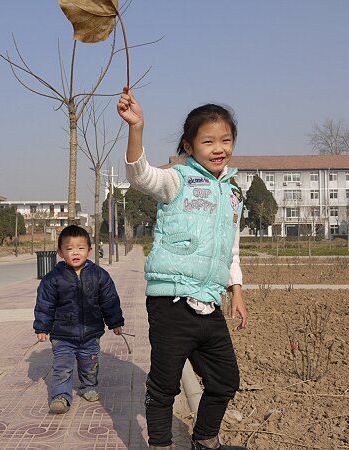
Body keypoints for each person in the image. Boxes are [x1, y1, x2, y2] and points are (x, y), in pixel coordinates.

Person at [117, 87, 248, 450]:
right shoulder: (177, 181)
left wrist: (236, 291)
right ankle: (160, 445)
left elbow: (231, 248)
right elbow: (140, 176)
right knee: (164, 385)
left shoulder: (232, 194)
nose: (219, 148)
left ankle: (205, 440)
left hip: (209, 301)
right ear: (189, 147)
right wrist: (137, 128)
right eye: (208, 141)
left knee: (225, 380)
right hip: (171, 302)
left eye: (226, 139)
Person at [33, 225, 125, 414]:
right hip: (62, 334)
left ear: (89, 250)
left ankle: (88, 386)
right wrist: (42, 327)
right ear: (60, 252)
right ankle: (60, 396)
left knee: (89, 363)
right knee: (62, 366)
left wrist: (115, 322)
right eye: (69, 248)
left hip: (91, 332)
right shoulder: (52, 279)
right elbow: (45, 304)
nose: (75, 252)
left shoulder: (99, 275)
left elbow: (109, 300)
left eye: (80, 248)